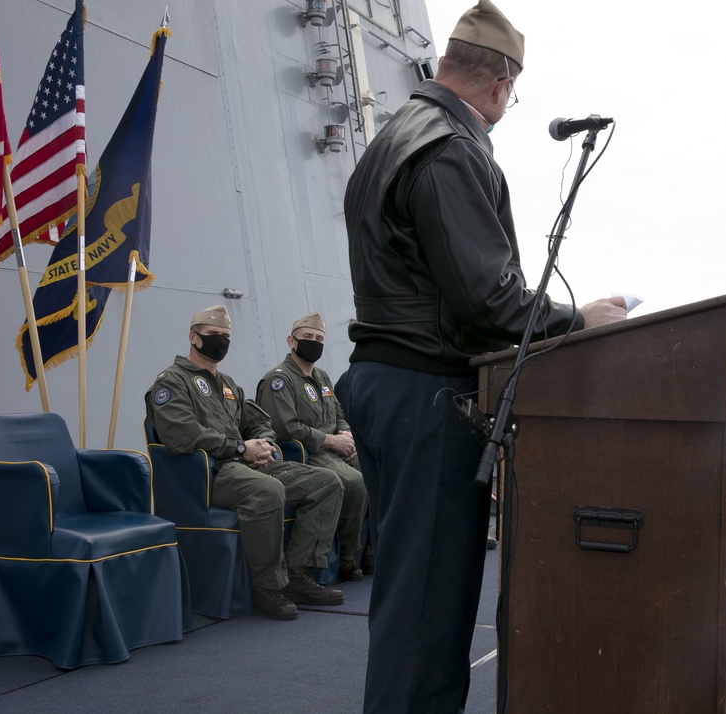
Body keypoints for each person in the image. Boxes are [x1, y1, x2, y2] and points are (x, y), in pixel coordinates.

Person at [335, 2, 627, 711]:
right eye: (512, 96)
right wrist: (576, 319)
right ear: (500, 84)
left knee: (409, 598)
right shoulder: (448, 146)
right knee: (428, 610)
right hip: (426, 393)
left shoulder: (393, 137)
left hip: (387, 381)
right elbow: (488, 303)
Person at [145, 304, 346, 621]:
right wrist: (239, 449)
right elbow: (182, 434)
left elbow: (259, 420)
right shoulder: (171, 383)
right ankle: (267, 587)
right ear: (193, 338)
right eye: (214, 334)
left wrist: (263, 443)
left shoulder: (226, 384)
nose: (221, 341)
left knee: (327, 483)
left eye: (226, 335)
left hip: (247, 463)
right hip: (210, 473)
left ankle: (297, 574)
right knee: (267, 491)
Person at [256, 311, 370, 582]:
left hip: (337, 447)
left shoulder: (322, 377)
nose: (314, 342)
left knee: (381, 470)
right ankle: (346, 556)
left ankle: (373, 549)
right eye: (308, 337)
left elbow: (338, 412)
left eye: (319, 338)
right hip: (309, 453)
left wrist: (345, 432)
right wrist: (331, 440)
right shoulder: (279, 380)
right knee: (356, 482)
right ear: (291, 341)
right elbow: (285, 427)